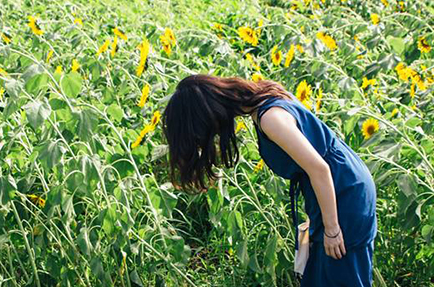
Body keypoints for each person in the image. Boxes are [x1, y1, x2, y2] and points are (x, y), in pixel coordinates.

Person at [161, 74, 377, 286]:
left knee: (342, 275)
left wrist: (332, 229)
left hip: (342, 192)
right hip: (337, 188)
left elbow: (320, 169)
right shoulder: (264, 97)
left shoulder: (270, 118)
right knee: (325, 274)